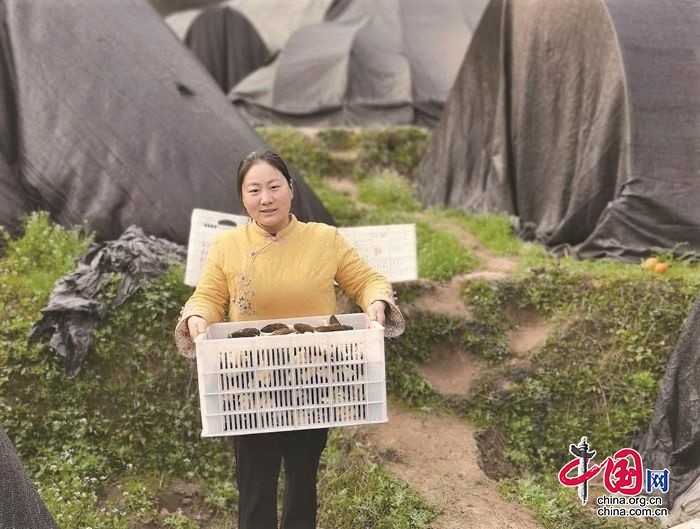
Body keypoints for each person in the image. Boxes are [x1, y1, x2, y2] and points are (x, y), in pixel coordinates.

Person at [174, 149, 404, 529]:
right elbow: (210, 297)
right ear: (242, 198)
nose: (266, 199)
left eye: (274, 187)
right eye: (254, 190)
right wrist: (196, 317)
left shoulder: (323, 239)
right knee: (255, 484)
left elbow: (366, 280)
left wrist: (377, 301)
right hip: (248, 382)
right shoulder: (228, 247)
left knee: (302, 480)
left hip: (312, 377)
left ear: (291, 190)